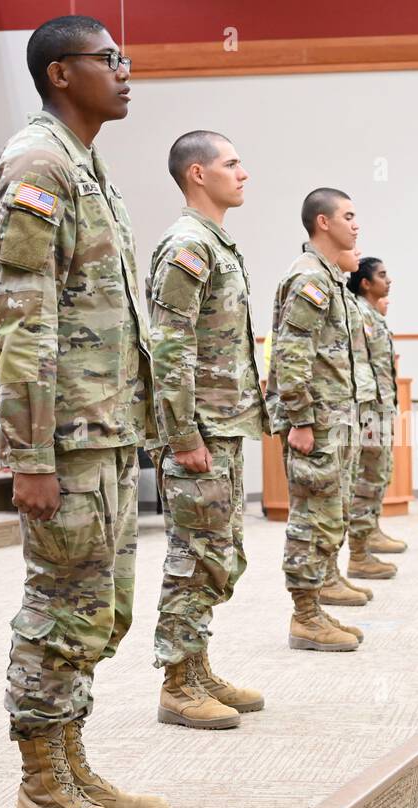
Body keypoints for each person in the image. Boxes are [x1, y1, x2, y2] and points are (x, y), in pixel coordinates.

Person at [0, 14, 169, 808]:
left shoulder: (88, 169)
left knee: (99, 610)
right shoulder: (38, 165)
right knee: (60, 610)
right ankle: (41, 790)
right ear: (62, 73)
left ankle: (70, 759)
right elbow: (22, 320)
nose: (125, 72)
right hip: (63, 441)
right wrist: (28, 454)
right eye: (108, 59)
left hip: (103, 432)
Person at [146, 130, 269, 730]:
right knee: (194, 555)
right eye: (231, 163)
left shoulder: (216, 243)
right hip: (200, 431)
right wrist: (184, 434)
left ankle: (195, 666)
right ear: (198, 174)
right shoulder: (189, 245)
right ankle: (177, 683)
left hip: (223, 424)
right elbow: (169, 348)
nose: (243, 173)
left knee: (219, 554)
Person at [266, 189, 366, 651]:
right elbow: (290, 352)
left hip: (333, 419)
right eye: (348, 216)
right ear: (323, 222)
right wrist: (301, 419)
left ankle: (317, 602)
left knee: (329, 514)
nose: (356, 225)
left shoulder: (327, 277)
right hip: (317, 422)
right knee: (311, 517)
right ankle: (304, 616)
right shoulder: (310, 278)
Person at [346, 257, 407, 565]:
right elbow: (358, 363)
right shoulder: (359, 313)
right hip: (368, 406)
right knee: (368, 474)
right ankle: (360, 544)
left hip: (380, 403)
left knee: (379, 471)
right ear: (366, 283)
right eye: (383, 275)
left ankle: (370, 530)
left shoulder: (373, 314)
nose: (389, 279)